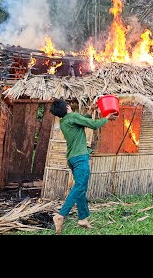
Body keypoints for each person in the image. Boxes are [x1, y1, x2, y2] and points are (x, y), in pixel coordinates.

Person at [50, 98, 118, 234]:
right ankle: (60, 215)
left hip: (72, 158)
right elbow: (93, 125)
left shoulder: (65, 121)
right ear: (68, 106)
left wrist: (91, 110)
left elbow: (82, 120)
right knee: (80, 186)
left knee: (81, 187)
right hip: (80, 157)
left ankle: (82, 218)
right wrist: (106, 118)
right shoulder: (72, 116)